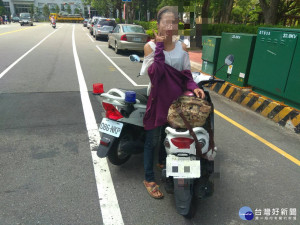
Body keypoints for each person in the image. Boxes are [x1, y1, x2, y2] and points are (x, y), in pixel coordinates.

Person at [139, 6, 205, 199]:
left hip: (177, 103)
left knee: (171, 137)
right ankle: (149, 178)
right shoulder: (150, 47)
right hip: (158, 100)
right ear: (158, 24)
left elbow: (186, 76)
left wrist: (194, 87)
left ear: (177, 26)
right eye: (165, 22)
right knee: (152, 140)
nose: (169, 26)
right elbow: (155, 76)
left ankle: (163, 162)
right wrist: (159, 46)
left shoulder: (182, 47)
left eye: (173, 22)